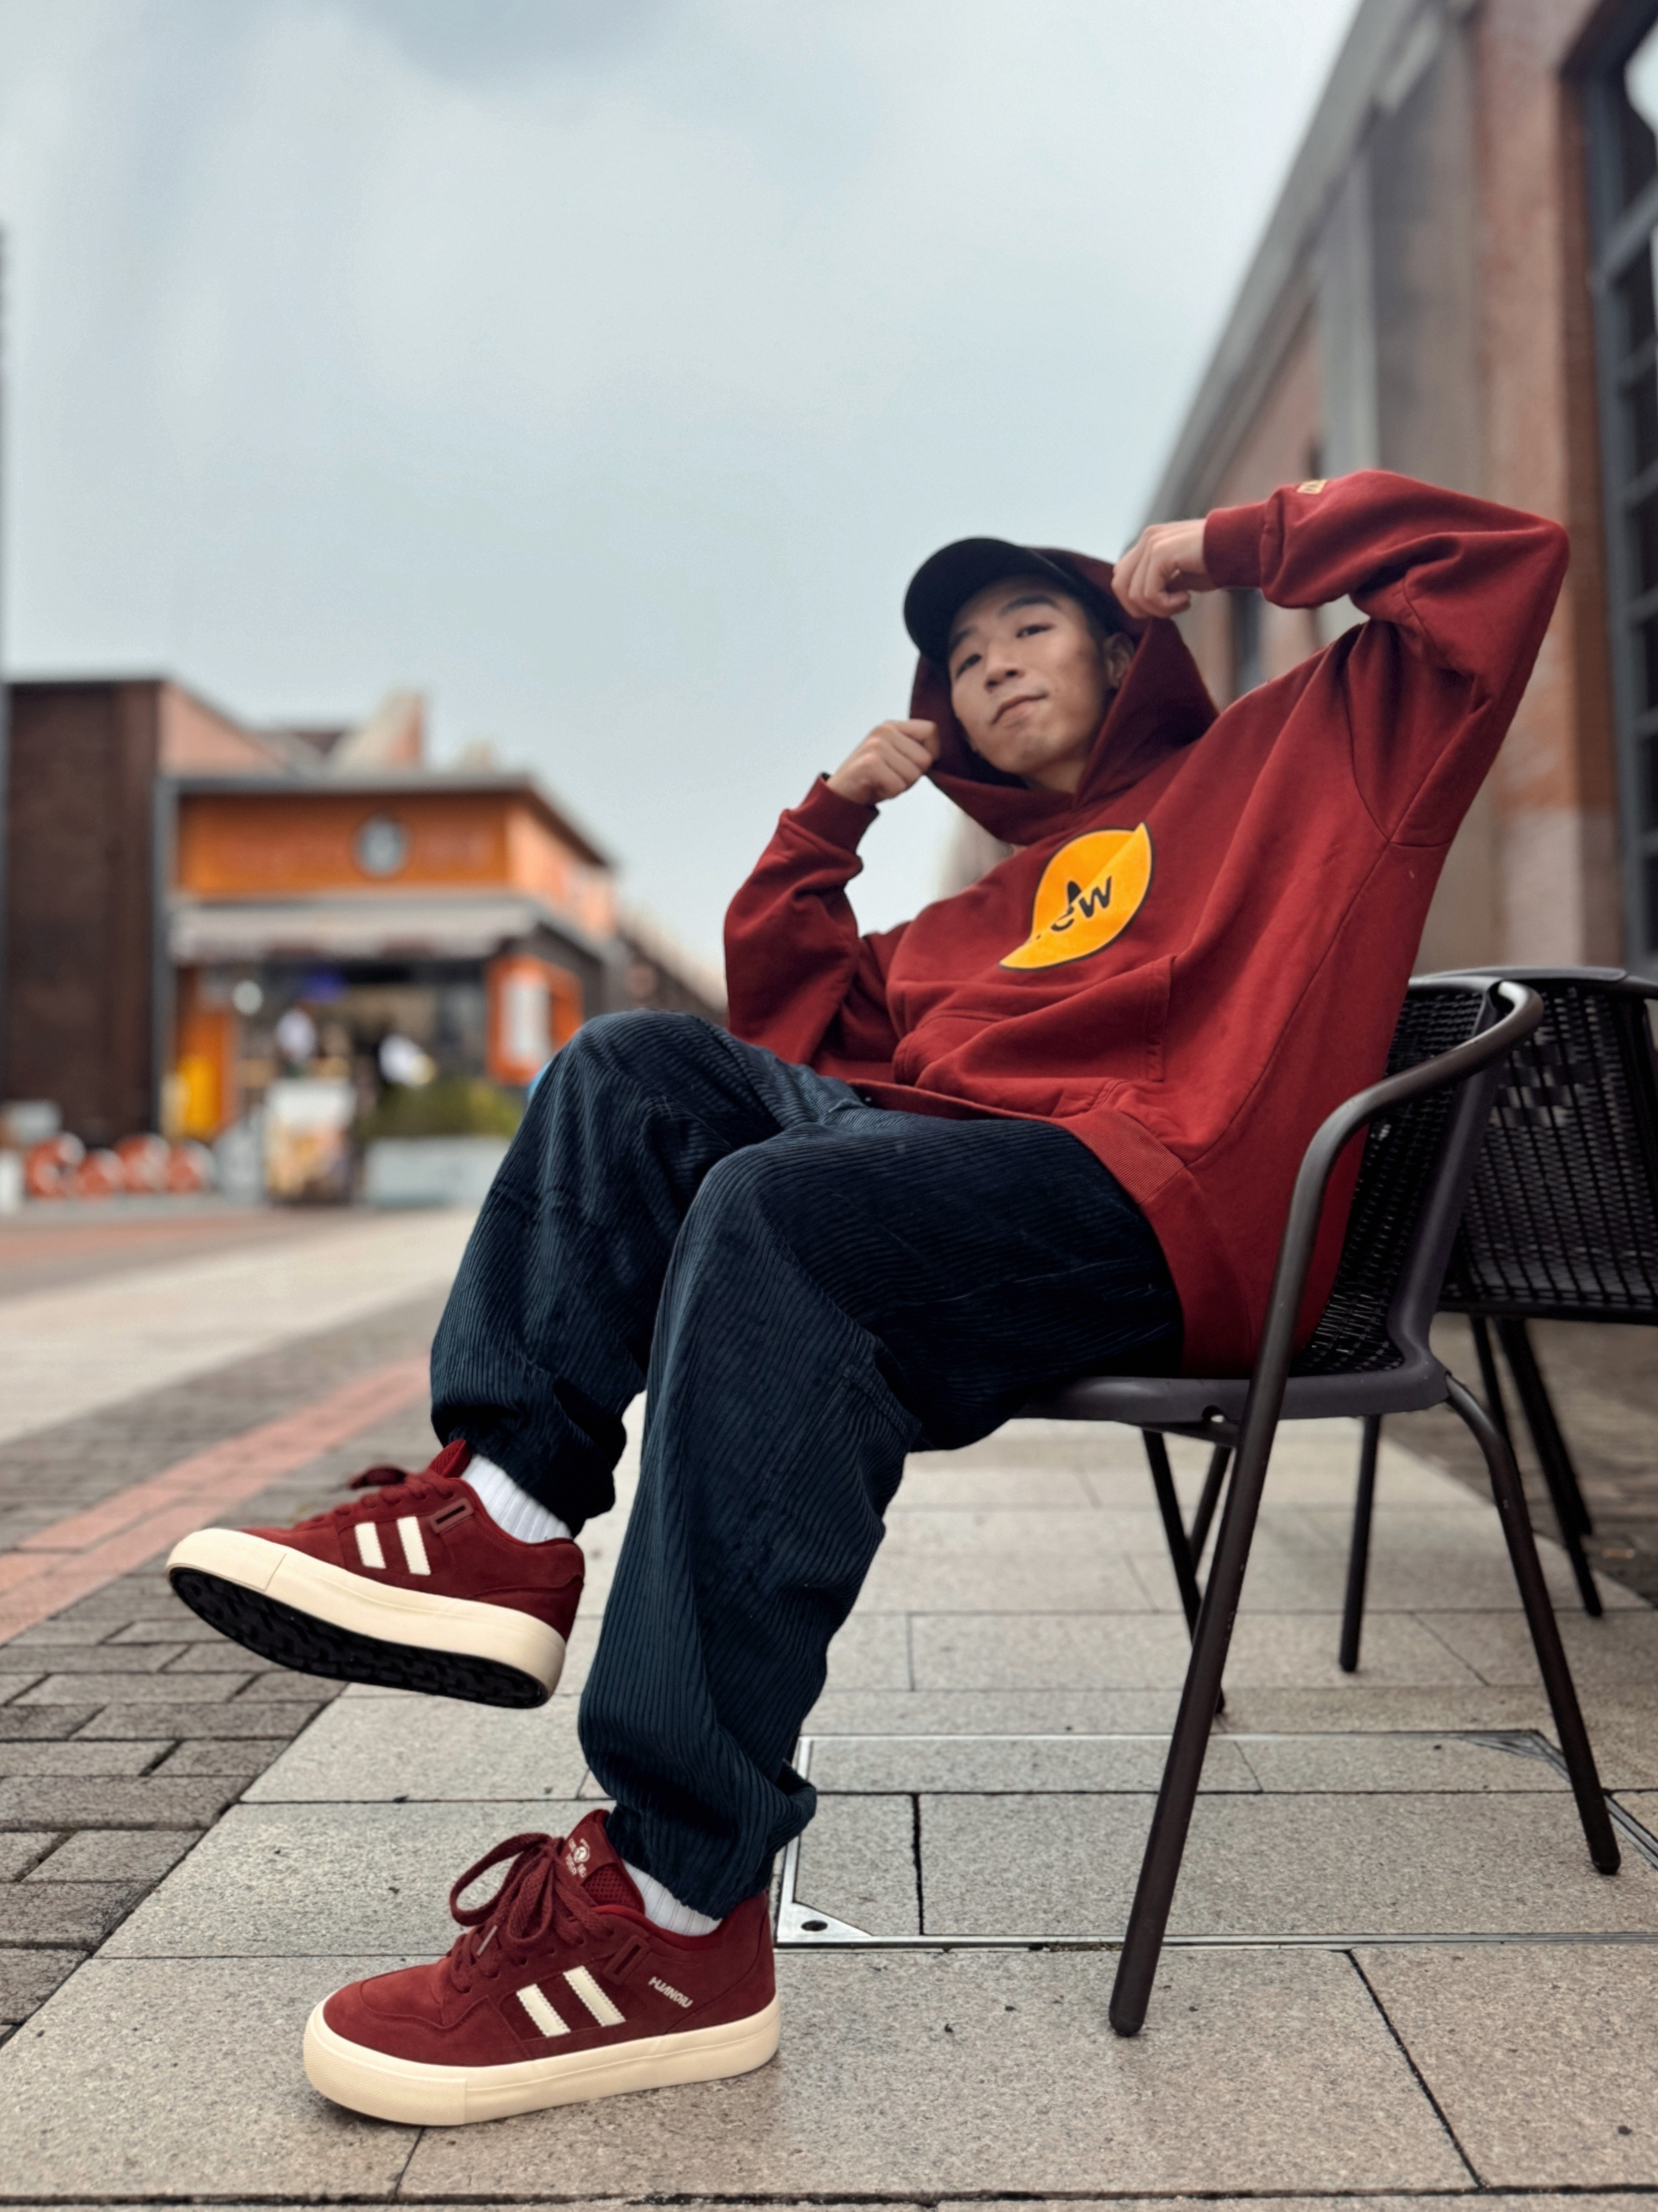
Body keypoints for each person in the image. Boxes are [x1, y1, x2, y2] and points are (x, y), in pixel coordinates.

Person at [168, 470, 1566, 2125]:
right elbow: (790, 1031)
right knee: (635, 1070)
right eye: (961, 658)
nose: (991, 666)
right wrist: (828, 819)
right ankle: (506, 1512)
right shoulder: (976, 918)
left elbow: (1500, 564)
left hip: (1163, 1209)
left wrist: (1236, 544)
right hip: (956, 1190)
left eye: (1028, 626)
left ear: (1126, 646)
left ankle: (676, 1906)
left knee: (785, 1218)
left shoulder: (1310, 748)